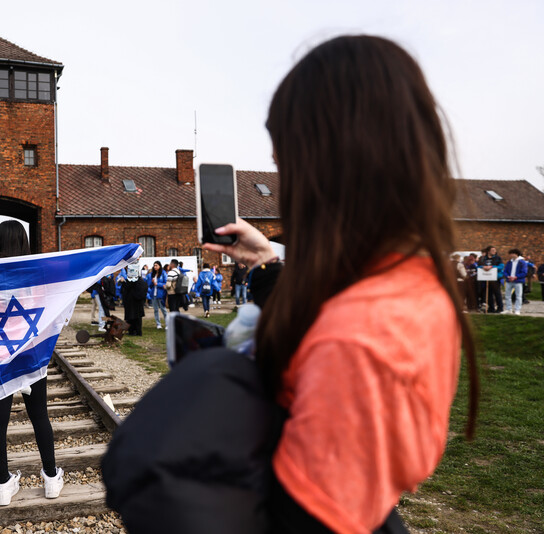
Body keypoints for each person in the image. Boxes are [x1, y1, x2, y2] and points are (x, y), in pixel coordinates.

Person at [199, 35, 479, 532]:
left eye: (287, 155)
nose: (279, 169)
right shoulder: (408, 278)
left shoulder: (357, 340)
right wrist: (265, 265)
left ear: (333, 160)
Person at [0, 220, 63, 506]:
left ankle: (4, 485)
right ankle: (52, 479)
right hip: (30, 357)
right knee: (40, 416)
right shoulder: (38, 274)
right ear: (24, 242)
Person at [121, 264, 147, 336]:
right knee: (133, 317)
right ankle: (133, 331)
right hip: (132, 302)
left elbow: (128, 289)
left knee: (135, 318)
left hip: (135, 302)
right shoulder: (133, 281)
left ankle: (135, 331)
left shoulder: (137, 281)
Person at [478, 246, 503, 313]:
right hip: (486, 278)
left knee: (497, 293)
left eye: (495, 250)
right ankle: (491, 308)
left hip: (495, 278)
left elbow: (501, 266)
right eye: (492, 250)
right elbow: (478, 266)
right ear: (488, 251)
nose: (494, 251)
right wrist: (483, 267)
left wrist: (492, 267)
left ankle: (500, 308)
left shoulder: (498, 258)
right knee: (488, 294)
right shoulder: (483, 258)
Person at [502, 249, 527, 315]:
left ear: (516, 254)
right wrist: (508, 276)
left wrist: (516, 277)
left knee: (518, 296)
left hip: (518, 281)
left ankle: (517, 310)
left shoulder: (522, 262)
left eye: (511, 253)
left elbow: (524, 272)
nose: (510, 255)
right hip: (509, 281)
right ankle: (508, 309)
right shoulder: (509, 262)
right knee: (507, 295)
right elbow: (505, 271)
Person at [147, 261, 167, 330]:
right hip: (154, 294)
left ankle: (167, 324)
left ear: (159, 266)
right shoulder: (152, 274)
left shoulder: (163, 273)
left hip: (161, 294)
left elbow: (165, 283)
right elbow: (149, 285)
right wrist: (152, 282)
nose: (155, 267)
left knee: (163, 309)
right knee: (155, 310)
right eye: (154, 265)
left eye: (156, 265)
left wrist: (157, 284)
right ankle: (158, 324)